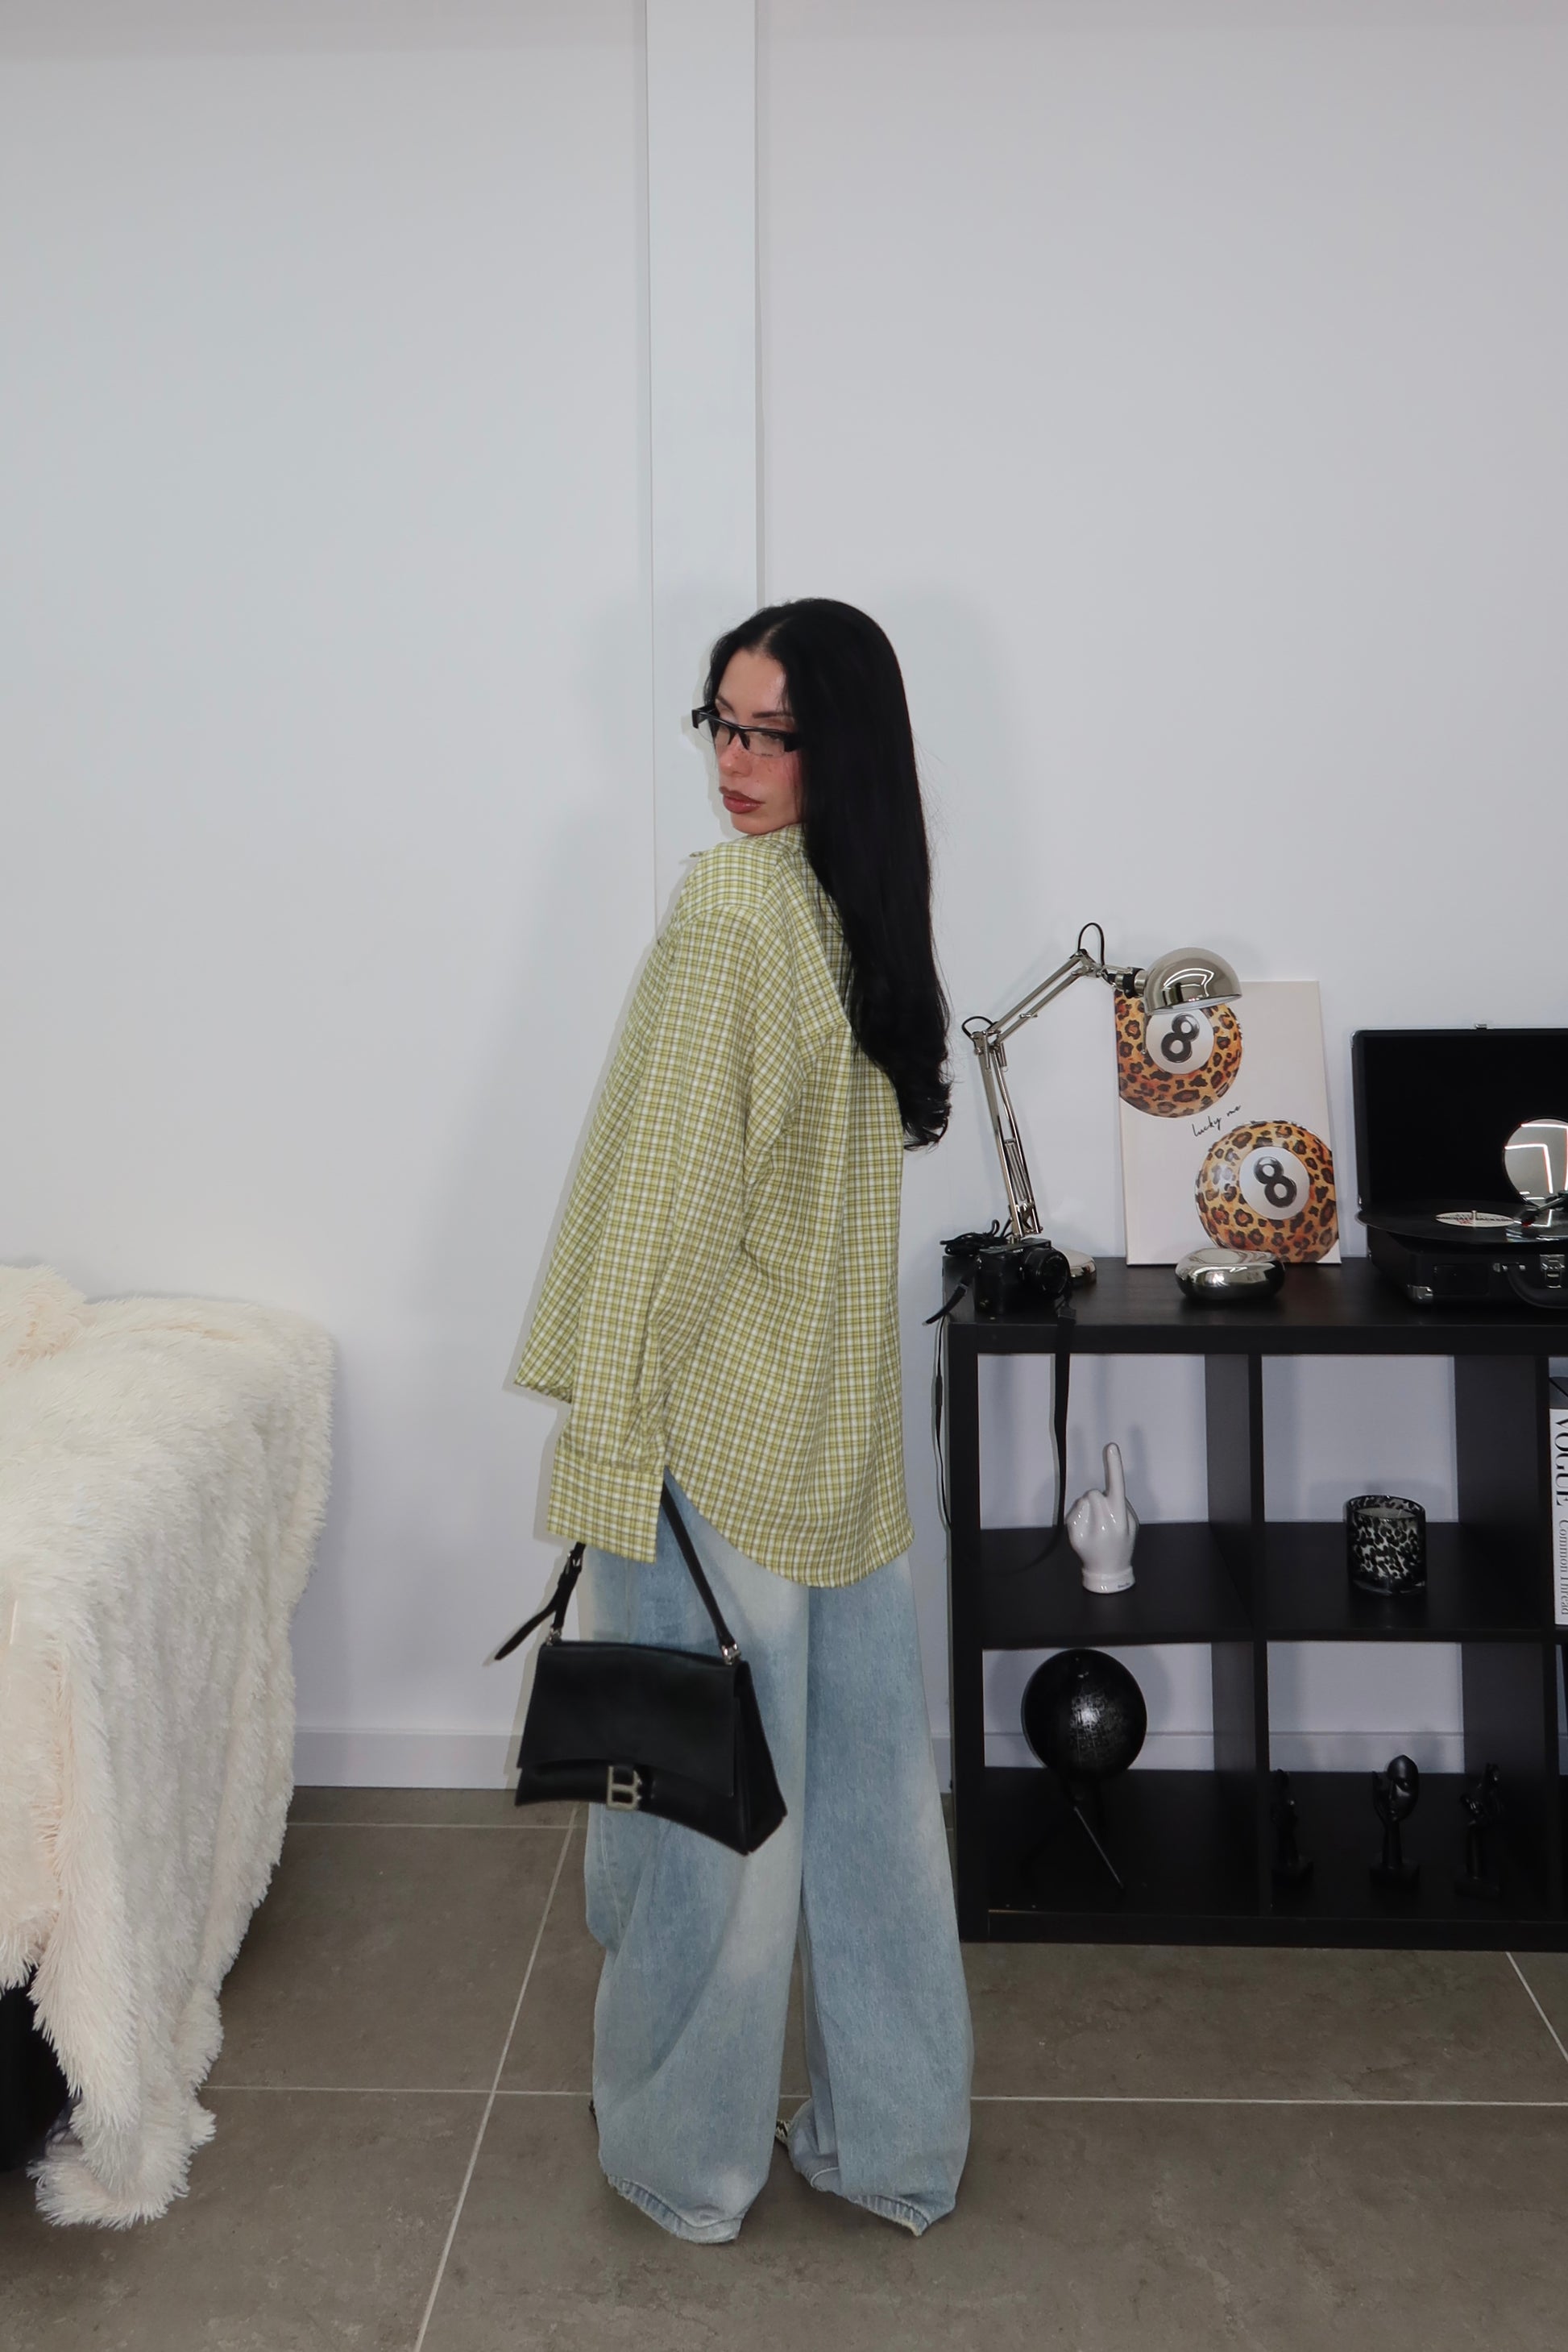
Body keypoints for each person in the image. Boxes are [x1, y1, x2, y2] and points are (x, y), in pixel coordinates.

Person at [512, 598, 972, 2242]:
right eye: (722, 722)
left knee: (704, 1831)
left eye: (774, 733)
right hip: (835, 1448)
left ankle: (687, 2159)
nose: (738, 760)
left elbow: (664, 1208)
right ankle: (894, 2144)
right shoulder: (865, 911)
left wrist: (607, 1438)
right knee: (871, 1823)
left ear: (836, 748)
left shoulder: (733, 908)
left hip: (713, 1437)